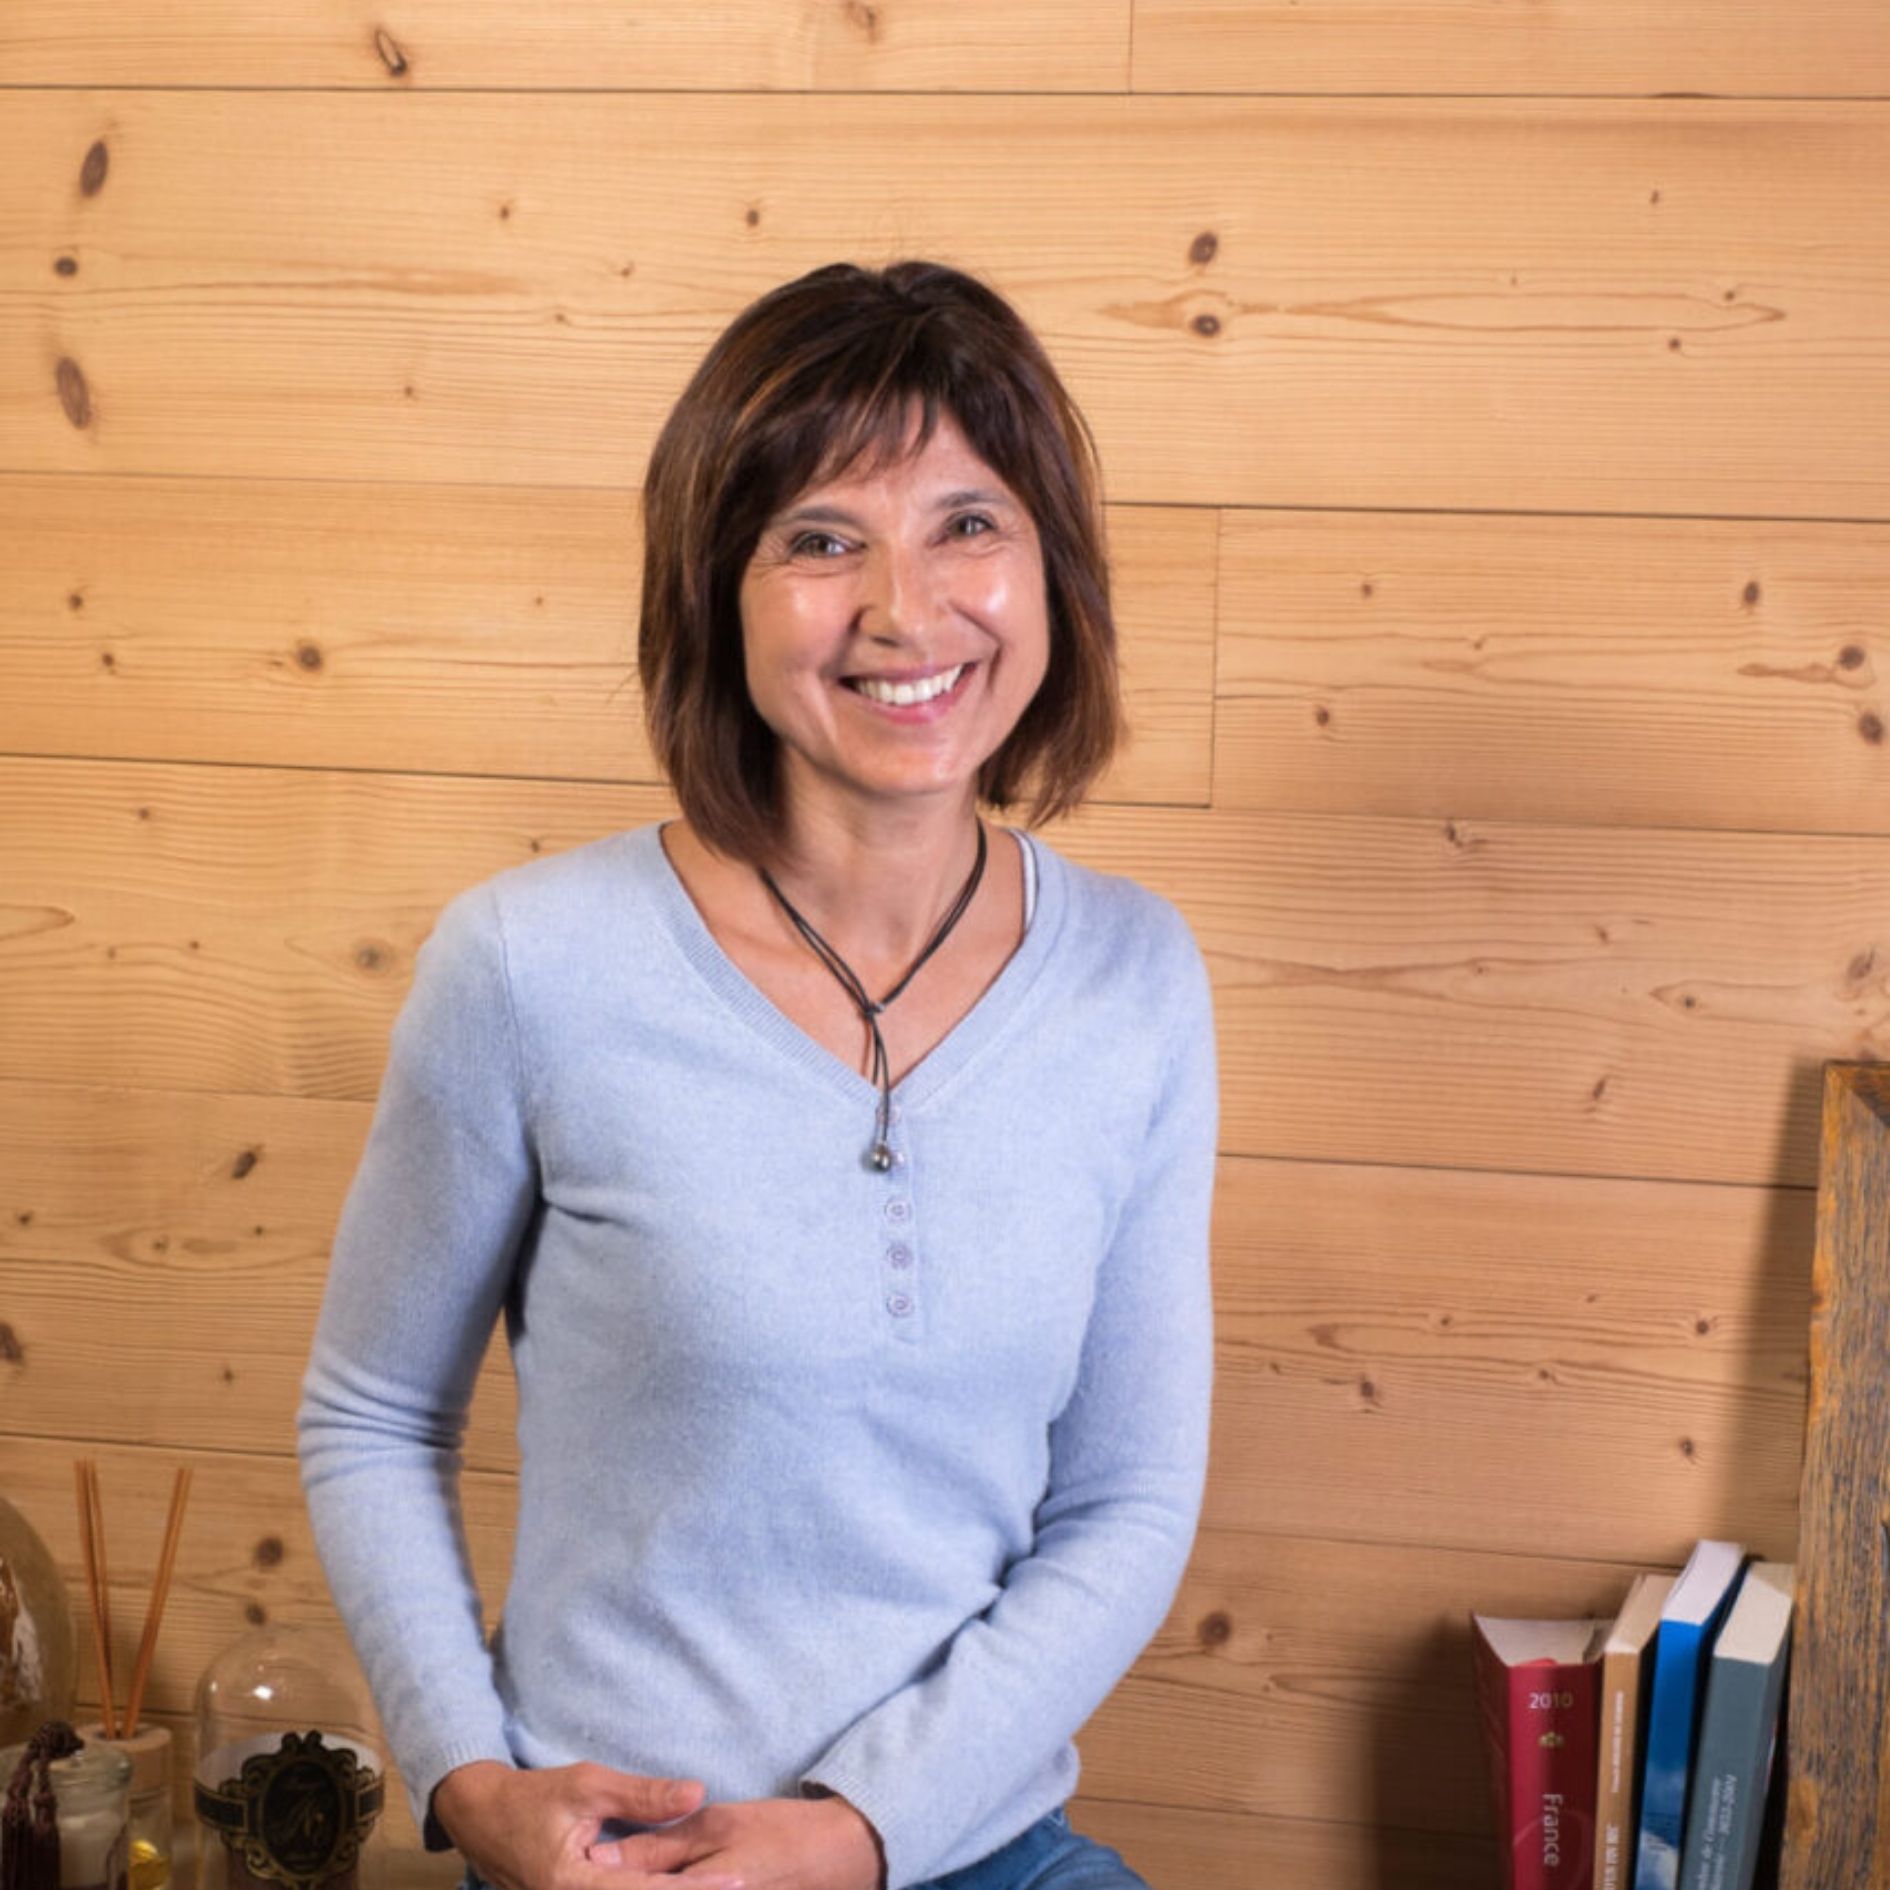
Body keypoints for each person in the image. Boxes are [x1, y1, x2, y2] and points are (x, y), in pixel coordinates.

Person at [298, 260, 1218, 1890]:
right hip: (618, 1861)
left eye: (966, 521)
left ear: (1049, 568)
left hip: (979, 1846)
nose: (902, 606)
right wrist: (467, 1779)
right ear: (717, 588)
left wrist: (860, 1831)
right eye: (818, 537)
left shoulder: (1135, 977)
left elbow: (1127, 1502)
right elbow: (371, 1412)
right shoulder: (525, 964)